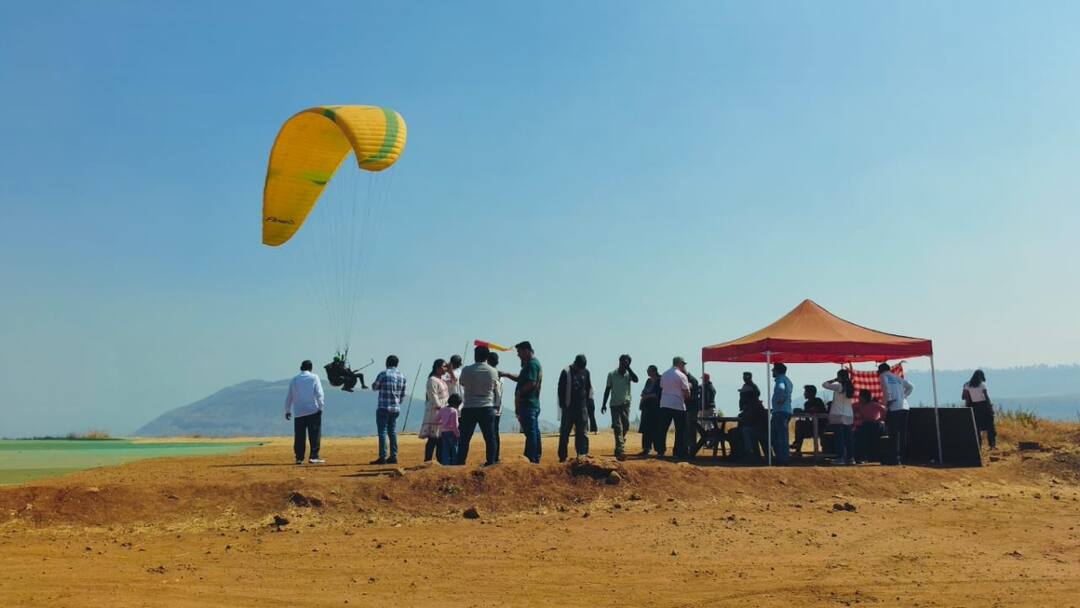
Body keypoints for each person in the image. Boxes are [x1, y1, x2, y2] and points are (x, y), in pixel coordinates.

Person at [457, 345, 501, 466]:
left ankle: (460, 462)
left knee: (464, 438)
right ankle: (491, 462)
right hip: (487, 407)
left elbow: (462, 383)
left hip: (469, 407)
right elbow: (494, 387)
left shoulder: (466, 370)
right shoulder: (493, 371)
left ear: (475, 356)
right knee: (490, 437)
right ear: (487, 357)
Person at [500, 341, 543, 464]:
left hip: (528, 403)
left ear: (526, 351)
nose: (518, 355)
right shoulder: (530, 365)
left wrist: (520, 393)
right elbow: (521, 378)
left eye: (519, 352)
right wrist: (507, 374)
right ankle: (534, 456)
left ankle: (532, 458)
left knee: (531, 433)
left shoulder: (532, 365)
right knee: (533, 431)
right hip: (530, 404)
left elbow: (531, 383)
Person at [284, 360, 326, 464]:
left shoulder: (294, 380)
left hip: (299, 412)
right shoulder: (314, 377)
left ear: (301, 367)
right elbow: (319, 393)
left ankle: (299, 457)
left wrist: (287, 410)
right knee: (314, 434)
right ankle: (314, 456)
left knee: (299, 436)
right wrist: (321, 407)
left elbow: (290, 396)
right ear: (311, 368)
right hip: (313, 410)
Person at [371, 355, 407, 465]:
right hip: (395, 408)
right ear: (397, 364)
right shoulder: (402, 376)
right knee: (392, 431)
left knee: (382, 432)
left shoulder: (383, 374)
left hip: (384, 407)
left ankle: (382, 456)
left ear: (387, 363)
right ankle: (393, 456)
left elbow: (375, 387)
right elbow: (403, 395)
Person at [602, 354, 638, 460]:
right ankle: (621, 449)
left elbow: (636, 380)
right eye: (622, 362)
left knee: (626, 425)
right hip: (614, 405)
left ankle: (619, 445)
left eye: (626, 363)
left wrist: (629, 368)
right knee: (618, 427)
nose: (623, 365)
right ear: (619, 362)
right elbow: (607, 389)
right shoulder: (612, 374)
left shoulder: (628, 375)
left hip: (626, 404)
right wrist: (603, 404)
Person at [557, 354, 593, 461]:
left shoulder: (586, 372)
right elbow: (560, 390)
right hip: (568, 408)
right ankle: (563, 457)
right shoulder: (566, 372)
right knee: (565, 433)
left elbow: (588, 388)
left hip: (582, 408)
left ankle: (582, 455)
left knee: (582, 433)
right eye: (579, 367)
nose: (580, 369)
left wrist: (586, 404)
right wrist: (563, 405)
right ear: (575, 363)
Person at [878, 363, 914, 465]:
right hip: (904, 406)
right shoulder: (897, 377)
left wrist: (887, 402)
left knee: (893, 434)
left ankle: (894, 458)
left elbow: (886, 389)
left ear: (881, 370)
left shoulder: (883, 376)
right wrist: (904, 396)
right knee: (902, 433)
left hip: (894, 407)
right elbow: (911, 386)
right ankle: (903, 458)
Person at [657, 357, 692, 460]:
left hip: (665, 404)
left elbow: (662, 386)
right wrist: (689, 387)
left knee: (662, 429)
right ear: (680, 364)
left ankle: (660, 450)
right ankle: (677, 452)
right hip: (678, 405)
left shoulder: (665, 374)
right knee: (680, 429)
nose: (684, 366)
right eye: (683, 364)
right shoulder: (682, 376)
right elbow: (687, 394)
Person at [823, 369, 856, 465]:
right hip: (848, 415)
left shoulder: (839, 386)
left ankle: (840, 458)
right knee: (848, 439)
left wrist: (834, 380)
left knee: (839, 438)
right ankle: (851, 458)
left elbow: (824, 384)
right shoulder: (850, 387)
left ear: (840, 377)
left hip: (839, 415)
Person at [419, 359, 449, 463]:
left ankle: (439, 460)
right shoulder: (432, 380)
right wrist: (439, 407)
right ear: (438, 368)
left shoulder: (442, 379)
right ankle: (427, 460)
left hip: (443, 410)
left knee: (440, 438)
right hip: (435, 411)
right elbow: (433, 395)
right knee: (433, 438)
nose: (446, 368)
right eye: (444, 366)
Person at [963, 369, 996, 449]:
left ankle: (978, 446)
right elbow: (986, 397)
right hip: (984, 406)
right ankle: (992, 445)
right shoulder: (982, 385)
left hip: (974, 407)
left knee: (977, 428)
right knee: (990, 426)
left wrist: (967, 407)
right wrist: (990, 408)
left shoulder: (967, 385)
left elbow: (965, 397)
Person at [853, 389, 886, 463]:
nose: (859, 398)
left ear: (865, 397)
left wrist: (880, 419)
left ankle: (871, 457)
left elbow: (884, 410)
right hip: (864, 425)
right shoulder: (858, 405)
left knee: (867, 430)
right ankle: (861, 457)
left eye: (861, 397)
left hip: (875, 425)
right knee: (860, 432)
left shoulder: (874, 404)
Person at [792, 385, 827, 454]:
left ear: (810, 393)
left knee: (799, 425)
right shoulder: (807, 403)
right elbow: (807, 416)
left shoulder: (818, 401)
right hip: (812, 425)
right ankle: (797, 448)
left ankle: (797, 445)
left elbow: (822, 412)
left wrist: (813, 411)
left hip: (821, 426)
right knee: (800, 425)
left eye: (805, 392)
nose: (804, 394)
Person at [770, 363, 793, 465]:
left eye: (773, 370)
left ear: (777, 371)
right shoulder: (788, 380)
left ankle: (782, 459)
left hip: (780, 411)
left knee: (778, 436)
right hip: (786, 410)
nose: (772, 371)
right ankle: (783, 458)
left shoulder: (780, 380)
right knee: (782, 436)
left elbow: (781, 388)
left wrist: (780, 400)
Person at [638, 365, 662, 456]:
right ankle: (646, 448)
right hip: (647, 408)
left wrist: (648, 396)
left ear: (654, 371)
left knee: (656, 429)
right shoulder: (648, 381)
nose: (648, 372)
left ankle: (658, 449)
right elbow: (643, 393)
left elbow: (658, 394)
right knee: (646, 429)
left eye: (649, 371)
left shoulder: (660, 380)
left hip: (656, 408)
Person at [487, 351, 506, 463]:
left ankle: (494, 457)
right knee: (495, 432)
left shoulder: (492, 374)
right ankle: (495, 456)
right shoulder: (499, 375)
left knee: (492, 433)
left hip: (493, 406)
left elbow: (497, 392)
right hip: (497, 406)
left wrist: (496, 406)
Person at [435, 394, 462, 465]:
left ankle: (445, 463)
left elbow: (436, 419)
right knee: (454, 448)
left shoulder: (442, 409)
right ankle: (454, 464)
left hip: (443, 432)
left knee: (445, 449)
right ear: (457, 404)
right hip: (452, 433)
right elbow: (455, 425)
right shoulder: (454, 411)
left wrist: (443, 423)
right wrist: (458, 434)